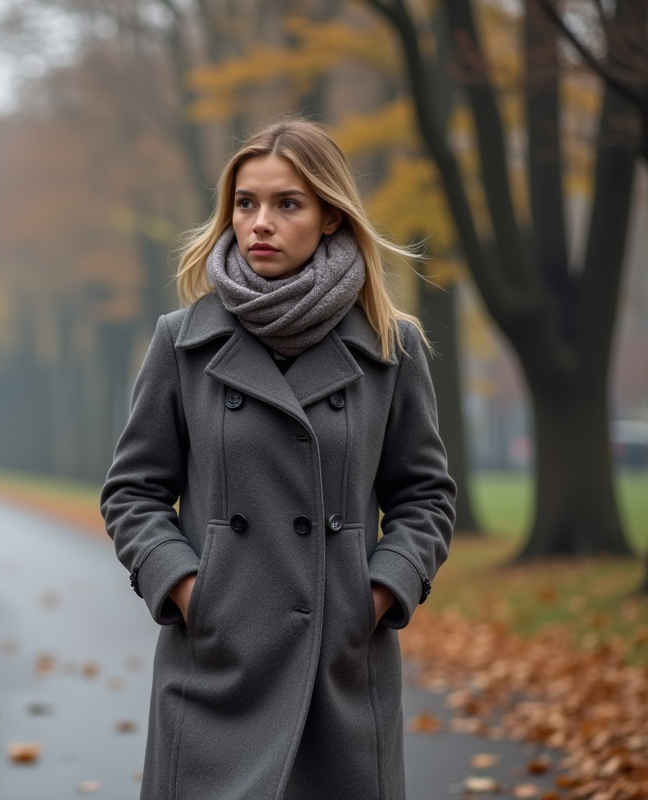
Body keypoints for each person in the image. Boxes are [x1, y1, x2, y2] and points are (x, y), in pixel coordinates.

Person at [100, 118, 456, 799]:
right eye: (245, 203)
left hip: (341, 670)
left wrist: (375, 595)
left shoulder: (391, 345)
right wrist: (190, 590)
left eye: (286, 203)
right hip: (215, 672)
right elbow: (133, 492)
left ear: (329, 216)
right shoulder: (182, 343)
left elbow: (425, 496)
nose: (259, 222)